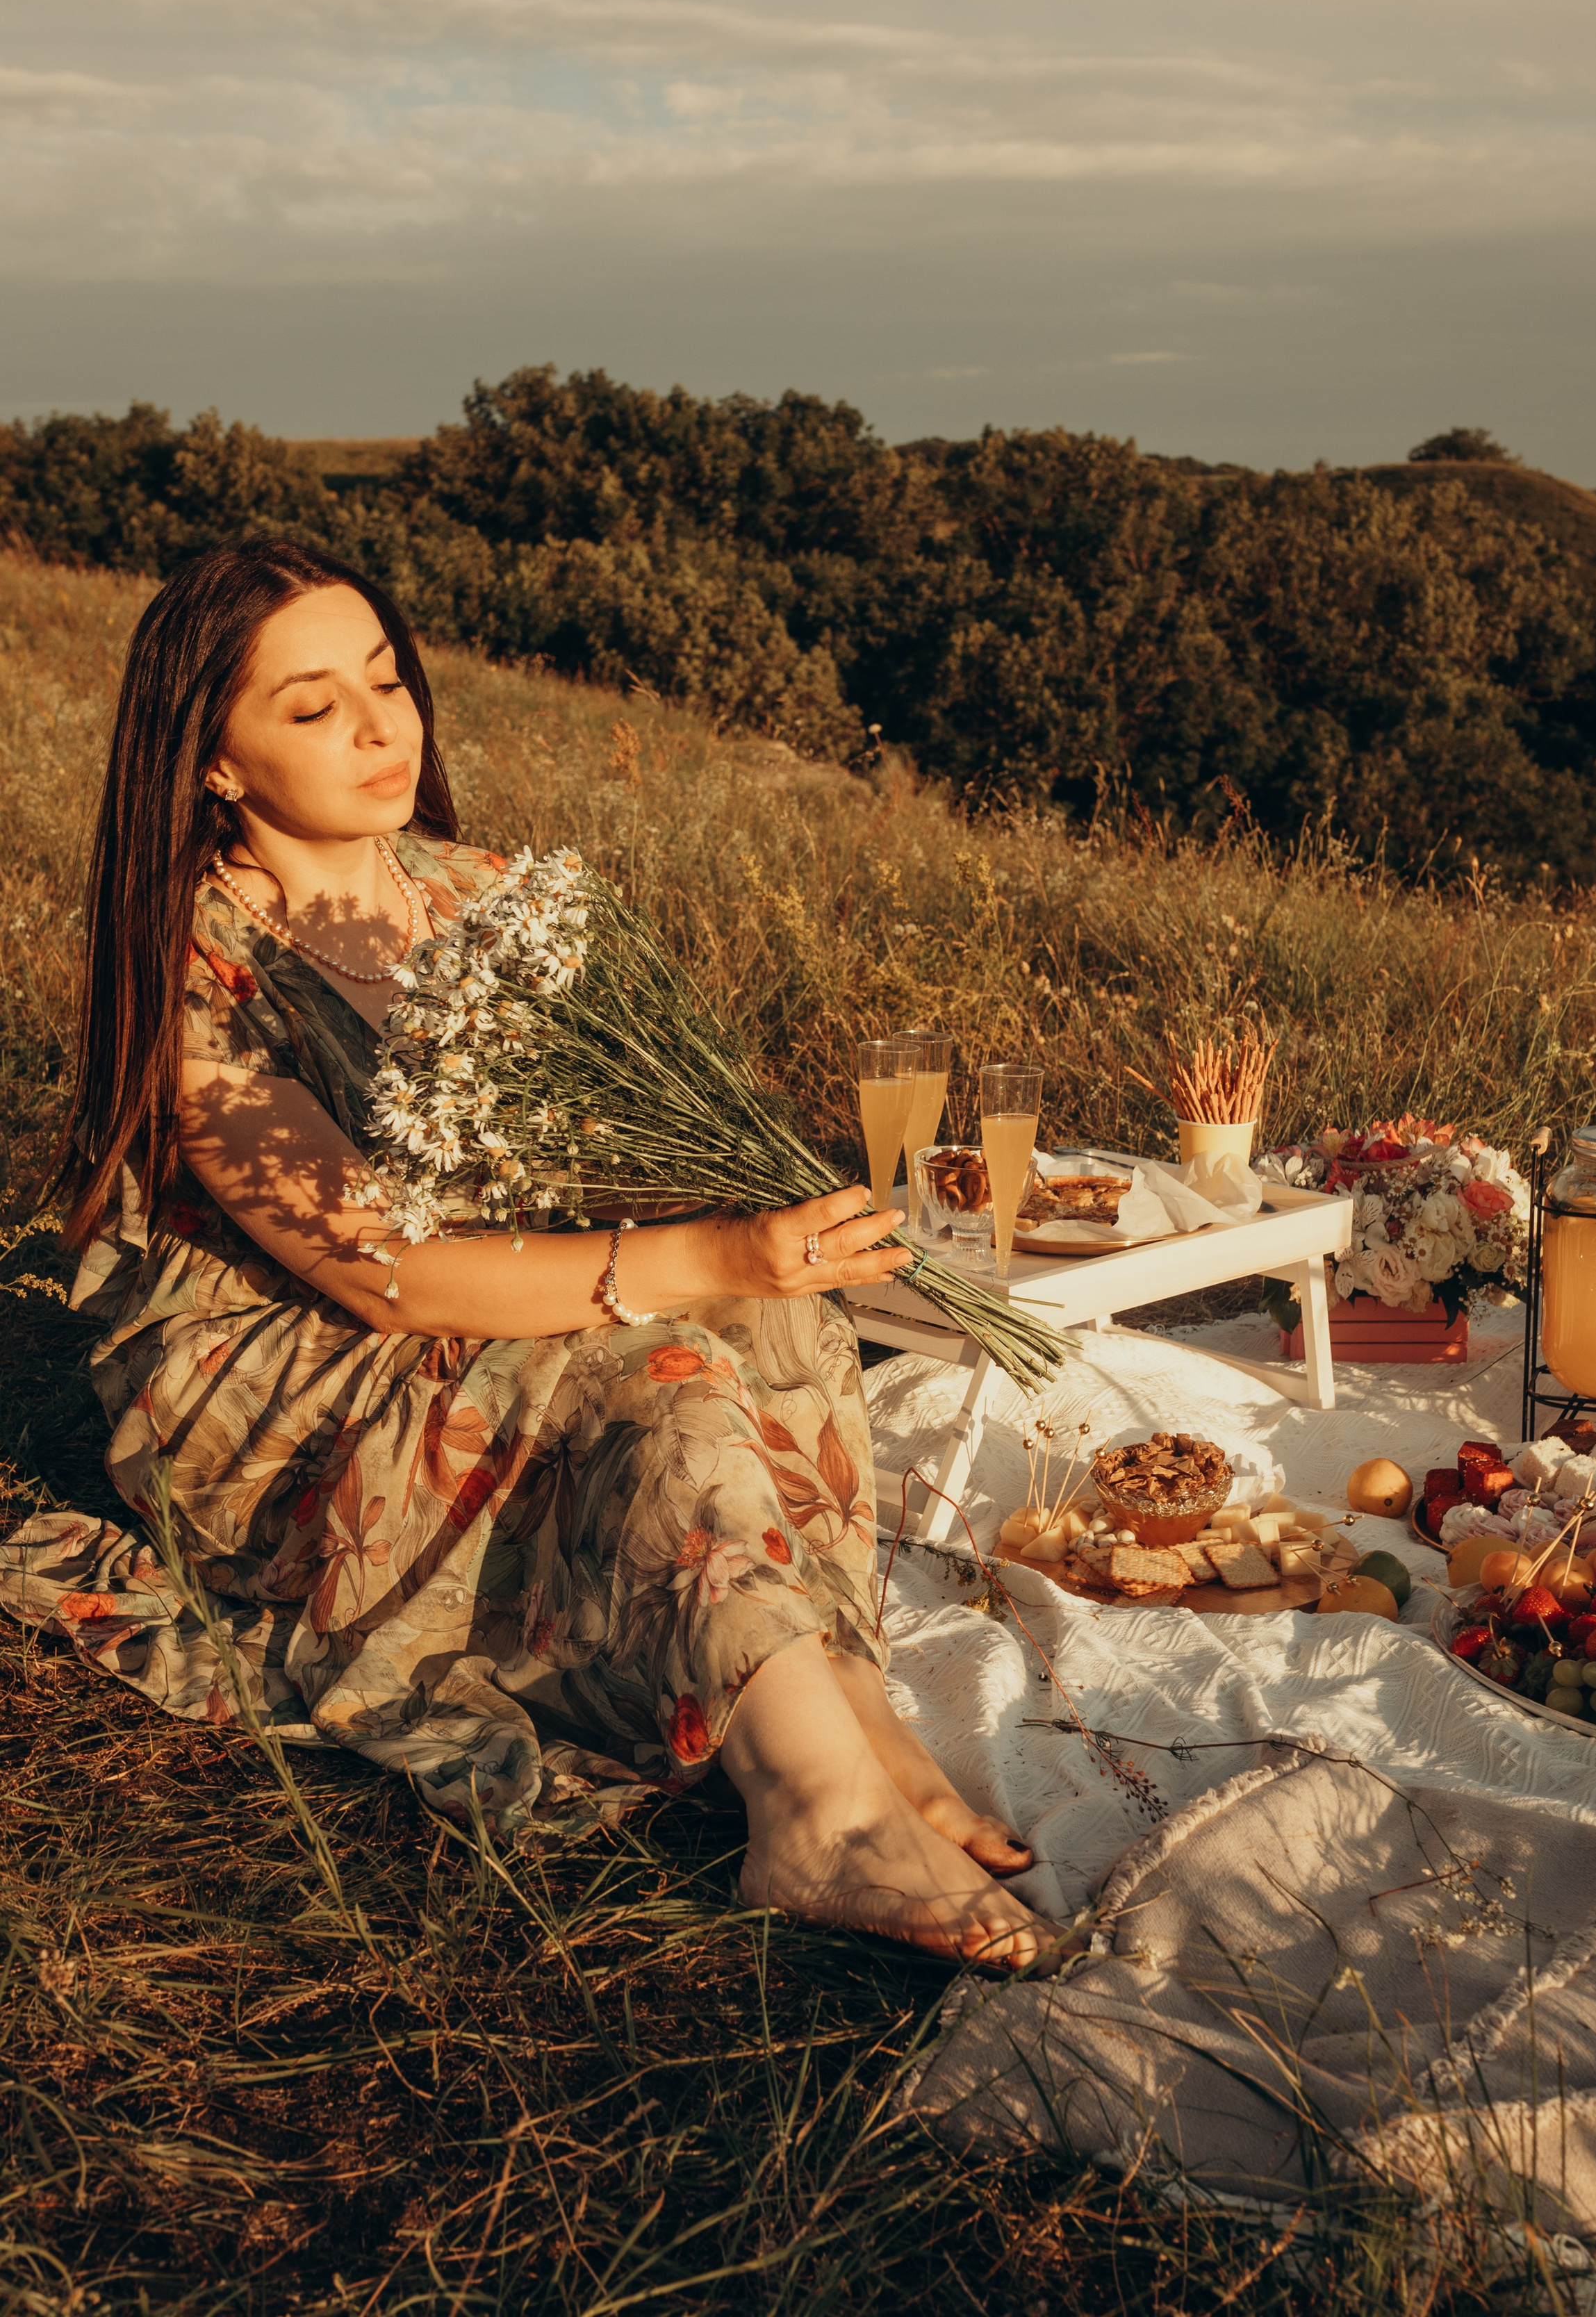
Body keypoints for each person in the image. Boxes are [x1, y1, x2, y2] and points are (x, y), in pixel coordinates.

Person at [0, 538, 1050, 1970]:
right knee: (666, 1343)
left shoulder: (490, 891)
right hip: (290, 1367)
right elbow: (389, 1273)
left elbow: (636, 1150)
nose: (379, 727)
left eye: (385, 680)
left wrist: (747, 1236)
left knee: (779, 1319)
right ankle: (814, 1814)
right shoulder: (205, 968)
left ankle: (849, 1717)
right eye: (311, 708)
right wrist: (708, 1254)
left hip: (497, 1273)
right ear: (215, 763)